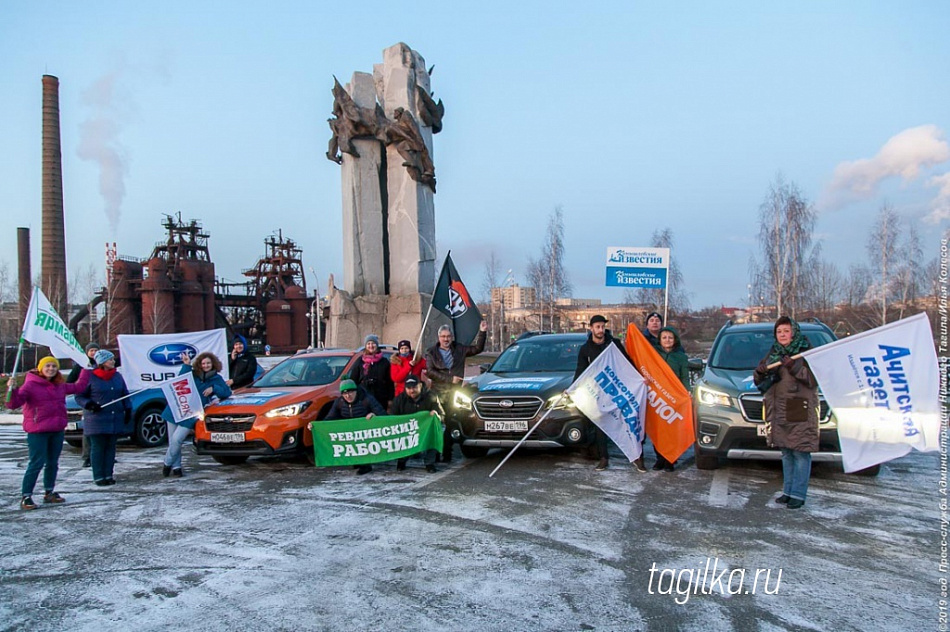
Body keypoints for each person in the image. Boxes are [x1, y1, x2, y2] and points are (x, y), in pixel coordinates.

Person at [6, 357, 90, 510]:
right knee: (36, 463)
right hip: (38, 431)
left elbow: (79, 387)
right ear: (40, 368)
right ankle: (26, 496)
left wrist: (85, 368)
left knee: (52, 463)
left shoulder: (60, 385)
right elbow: (12, 404)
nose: (51, 369)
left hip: (56, 430)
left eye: (53, 366)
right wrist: (11, 390)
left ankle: (49, 492)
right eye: (47, 366)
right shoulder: (30, 385)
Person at [753, 317, 817, 510]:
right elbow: (759, 379)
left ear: (794, 332)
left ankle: (799, 493)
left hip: (799, 408)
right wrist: (761, 371)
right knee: (786, 452)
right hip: (779, 409)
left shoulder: (805, 353)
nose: (782, 335)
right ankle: (788, 492)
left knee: (800, 452)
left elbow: (813, 380)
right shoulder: (774, 353)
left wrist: (794, 366)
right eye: (779, 331)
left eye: (786, 331)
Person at [574, 315, 642, 472]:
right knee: (601, 424)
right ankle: (603, 457)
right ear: (591, 328)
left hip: (616, 389)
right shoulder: (586, 349)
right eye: (597, 327)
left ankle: (637, 457)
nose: (600, 330)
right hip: (598, 392)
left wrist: (638, 378)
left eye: (602, 327)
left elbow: (627, 363)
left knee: (627, 421)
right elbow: (581, 370)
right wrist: (573, 387)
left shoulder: (613, 344)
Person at [425, 320, 488, 462]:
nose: (446, 339)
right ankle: (434, 455)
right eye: (443, 336)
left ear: (452, 337)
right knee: (437, 423)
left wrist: (482, 332)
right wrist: (449, 379)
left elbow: (477, 349)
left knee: (451, 422)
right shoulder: (431, 352)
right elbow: (430, 371)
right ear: (439, 337)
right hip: (438, 392)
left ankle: (447, 453)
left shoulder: (459, 349)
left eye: (448, 336)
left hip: (455, 392)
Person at [162, 351, 232, 478]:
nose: (206, 365)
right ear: (199, 364)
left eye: (208, 363)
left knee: (177, 439)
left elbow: (226, 392)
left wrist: (214, 388)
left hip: (191, 413)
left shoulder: (216, 378)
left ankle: (167, 463)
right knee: (172, 441)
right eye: (203, 363)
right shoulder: (193, 374)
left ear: (213, 364)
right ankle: (177, 467)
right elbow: (181, 380)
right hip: (176, 409)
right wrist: (186, 364)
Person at [75, 350, 132, 486]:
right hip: (96, 419)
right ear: (102, 362)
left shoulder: (117, 376)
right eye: (110, 359)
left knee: (111, 447)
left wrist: (128, 408)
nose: (113, 361)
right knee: (98, 447)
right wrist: (89, 404)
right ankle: (99, 476)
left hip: (114, 418)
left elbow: (124, 393)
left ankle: (108, 474)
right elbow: (79, 396)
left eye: (113, 359)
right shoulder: (90, 376)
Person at [324, 379, 386, 475]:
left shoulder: (367, 399)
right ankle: (356, 461)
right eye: (345, 394)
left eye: (351, 392)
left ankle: (365, 464)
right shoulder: (339, 402)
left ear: (356, 391)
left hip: (366, 432)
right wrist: (316, 425)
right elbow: (330, 417)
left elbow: (383, 415)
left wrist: (374, 415)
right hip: (350, 433)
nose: (348, 396)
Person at [652, 326, 689, 472]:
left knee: (671, 429)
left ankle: (670, 459)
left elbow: (684, 376)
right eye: (664, 337)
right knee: (657, 430)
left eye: (670, 337)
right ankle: (659, 458)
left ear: (675, 340)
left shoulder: (681, 357)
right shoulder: (654, 355)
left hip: (673, 397)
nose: (667, 340)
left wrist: (687, 391)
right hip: (657, 395)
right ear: (660, 340)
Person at [392, 375, 444, 473]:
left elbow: (442, 415)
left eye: (414, 387)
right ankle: (402, 460)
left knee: (438, 430)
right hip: (407, 430)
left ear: (420, 385)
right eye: (409, 388)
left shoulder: (431, 396)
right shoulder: (399, 399)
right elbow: (393, 418)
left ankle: (429, 463)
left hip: (425, 429)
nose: (412, 391)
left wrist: (437, 416)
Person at [67, 341, 100, 468]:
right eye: (91, 351)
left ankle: (106, 456)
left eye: (95, 350)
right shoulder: (81, 365)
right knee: (88, 430)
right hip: (87, 401)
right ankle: (87, 456)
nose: (93, 353)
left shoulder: (103, 364)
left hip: (102, 399)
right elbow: (70, 381)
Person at [351, 334, 395, 411]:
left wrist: (390, 399)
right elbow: (353, 380)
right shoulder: (360, 361)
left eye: (373, 343)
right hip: (364, 398)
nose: (371, 346)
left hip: (381, 398)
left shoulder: (384, 362)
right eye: (368, 344)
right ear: (365, 346)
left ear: (377, 345)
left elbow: (389, 382)